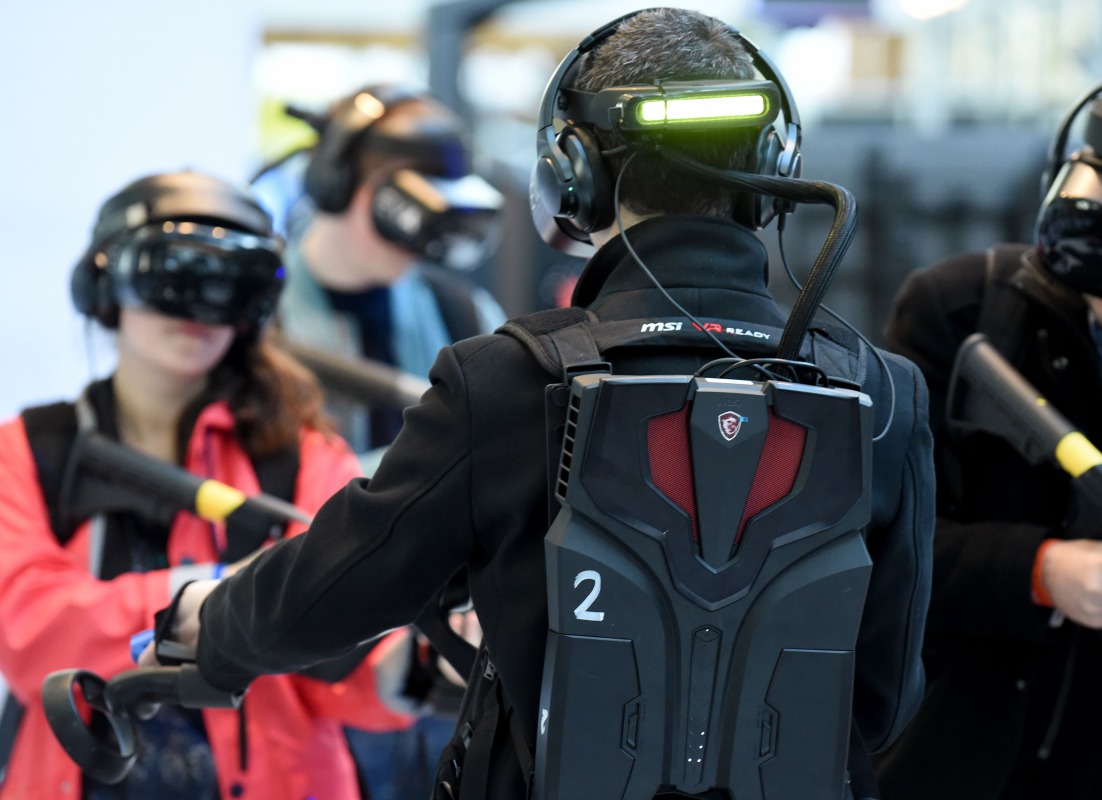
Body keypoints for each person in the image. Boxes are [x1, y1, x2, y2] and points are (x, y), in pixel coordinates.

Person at [144, 9, 934, 799]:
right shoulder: (885, 393)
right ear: (774, 170)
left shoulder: (505, 380)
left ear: (574, 176)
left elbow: (330, 590)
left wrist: (204, 624)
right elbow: (883, 702)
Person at [0, 171, 411, 800]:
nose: (198, 310)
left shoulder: (301, 457)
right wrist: (220, 592)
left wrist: (419, 666)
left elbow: (345, 663)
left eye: (229, 288)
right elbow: (33, 635)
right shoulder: (28, 451)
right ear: (106, 284)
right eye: (174, 278)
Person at [872, 62, 1102, 799]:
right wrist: (1040, 572)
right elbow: (870, 538)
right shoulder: (958, 312)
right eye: (1093, 245)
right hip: (978, 759)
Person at [264, 83, 510, 800]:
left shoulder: (461, 308)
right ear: (344, 181)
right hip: (310, 651)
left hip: (439, 659)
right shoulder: (255, 320)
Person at [271, 83, 508, 466]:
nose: (416, 243)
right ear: (337, 186)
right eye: (404, 211)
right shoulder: (258, 321)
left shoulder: (465, 315)